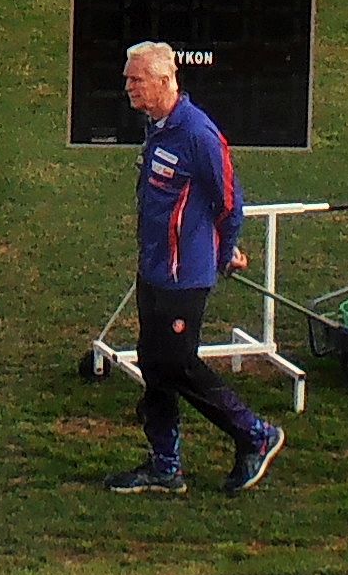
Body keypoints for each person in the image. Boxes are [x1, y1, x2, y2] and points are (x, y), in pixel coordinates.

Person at [110, 40, 282, 495]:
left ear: (165, 81)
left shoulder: (198, 134)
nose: (127, 86)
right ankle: (166, 466)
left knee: (179, 365)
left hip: (185, 276)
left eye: (136, 79)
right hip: (153, 271)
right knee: (154, 364)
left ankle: (255, 433)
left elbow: (229, 200)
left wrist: (226, 251)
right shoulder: (158, 127)